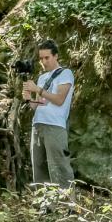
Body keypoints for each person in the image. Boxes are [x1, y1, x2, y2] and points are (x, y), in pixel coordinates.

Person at [23, 39, 75, 189]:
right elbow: (39, 105)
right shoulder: (42, 78)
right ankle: (47, 206)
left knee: (59, 167)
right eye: (41, 58)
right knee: (39, 167)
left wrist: (37, 90)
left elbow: (59, 100)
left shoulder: (65, 73)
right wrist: (28, 99)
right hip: (38, 125)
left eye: (47, 57)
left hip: (55, 126)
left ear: (56, 56)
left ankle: (68, 207)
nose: (44, 62)